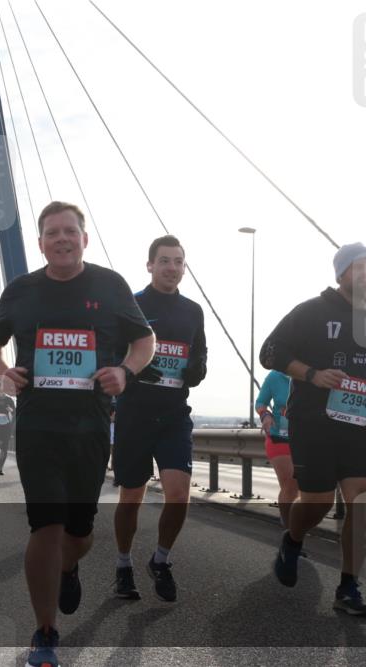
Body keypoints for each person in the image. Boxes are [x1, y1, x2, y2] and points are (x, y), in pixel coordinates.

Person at [0, 201, 154, 667]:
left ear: (84, 239)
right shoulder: (22, 291)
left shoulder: (110, 286)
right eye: (52, 232)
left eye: (70, 231)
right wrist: (1, 371)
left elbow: (145, 341)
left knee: (78, 534)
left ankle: (71, 564)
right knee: (46, 525)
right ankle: (45, 631)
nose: (62, 238)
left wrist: (126, 371)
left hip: (91, 427)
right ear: (40, 243)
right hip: (38, 426)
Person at [260, 242, 366, 617]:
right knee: (318, 501)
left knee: (363, 504)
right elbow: (270, 353)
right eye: (358, 267)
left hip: (361, 425)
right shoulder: (311, 312)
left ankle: (348, 588)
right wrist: (313, 374)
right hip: (313, 423)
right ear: (341, 273)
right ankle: (293, 540)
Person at [111, 235, 207, 603]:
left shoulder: (193, 311)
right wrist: (131, 370)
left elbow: (199, 355)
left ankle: (161, 560)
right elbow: (112, 352)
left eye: (179, 262)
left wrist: (196, 368)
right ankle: (122, 566)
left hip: (173, 414)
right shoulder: (130, 305)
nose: (172, 268)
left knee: (179, 496)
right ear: (149, 265)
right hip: (135, 414)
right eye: (164, 261)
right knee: (131, 497)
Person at [256, 369, 297, 528]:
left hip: (305, 440)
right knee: (290, 484)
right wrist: (265, 415)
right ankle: (289, 530)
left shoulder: (314, 373)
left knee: (301, 488)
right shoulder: (275, 376)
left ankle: (296, 525)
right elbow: (260, 402)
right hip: (279, 438)